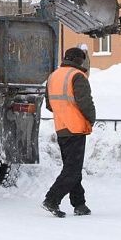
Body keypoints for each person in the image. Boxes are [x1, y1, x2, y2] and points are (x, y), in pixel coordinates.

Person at [43, 47, 96, 218]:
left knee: (72, 168)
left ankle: (79, 204)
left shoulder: (53, 76)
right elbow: (85, 103)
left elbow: (50, 105)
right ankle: (52, 199)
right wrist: (91, 119)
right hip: (76, 127)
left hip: (61, 128)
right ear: (78, 60)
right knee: (72, 170)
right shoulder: (77, 76)